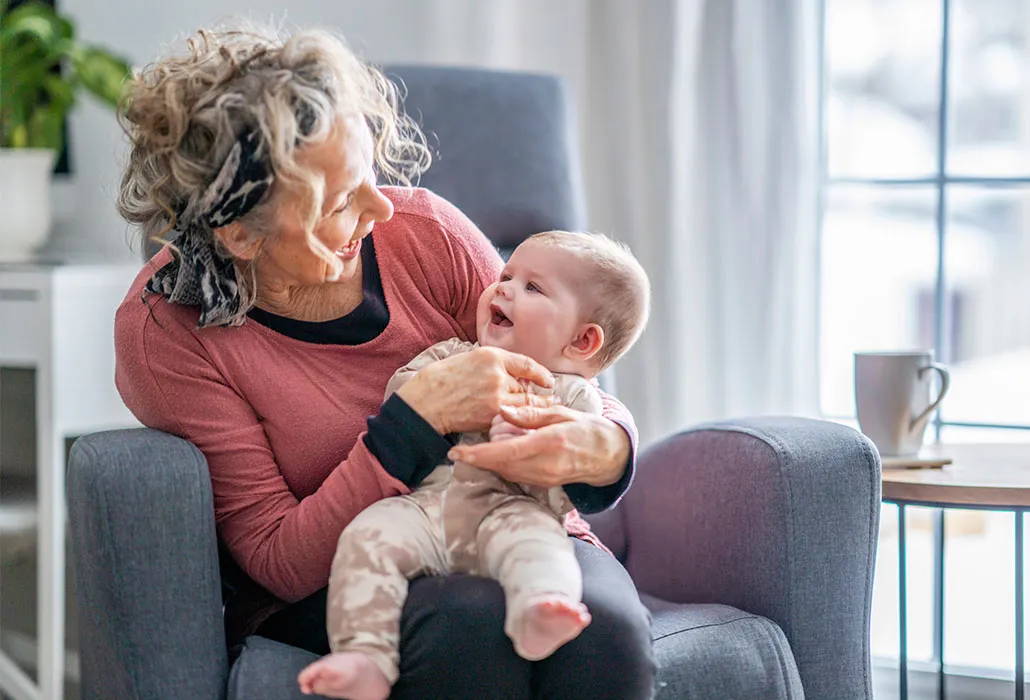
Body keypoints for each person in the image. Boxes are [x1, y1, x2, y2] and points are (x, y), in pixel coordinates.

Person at [113, 23, 655, 700]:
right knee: (468, 628)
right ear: (240, 235)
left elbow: (566, 380)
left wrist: (607, 446)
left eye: (369, 173)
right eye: (341, 202)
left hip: (512, 521)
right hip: (347, 570)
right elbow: (278, 559)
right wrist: (412, 422)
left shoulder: (425, 230)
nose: (382, 208)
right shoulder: (167, 332)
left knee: (603, 629)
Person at [298, 230, 650, 699]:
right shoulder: (453, 355)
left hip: (513, 512)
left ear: (582, 341)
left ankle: (541, 610)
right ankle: (365, 656)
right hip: (424, 508)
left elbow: (579, 460)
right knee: (366, 540)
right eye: (506, 275)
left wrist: (533, 436)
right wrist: (435, 398)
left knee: (542, 550)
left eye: (532, 288)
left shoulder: (573, 396)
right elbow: (400, 396)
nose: (502, 287)